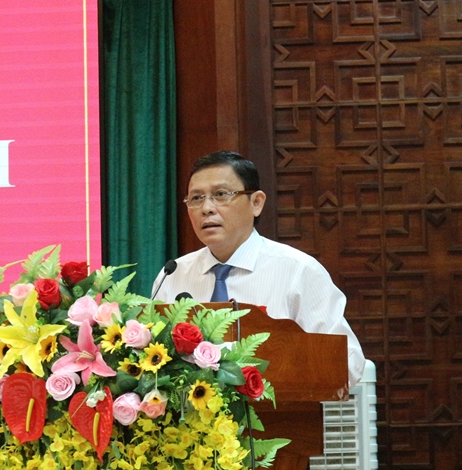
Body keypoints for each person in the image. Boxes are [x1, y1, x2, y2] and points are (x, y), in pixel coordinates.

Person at [153, 151, 365, 388]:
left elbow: (349, 366)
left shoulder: (298, 271)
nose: (207, 208)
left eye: (221, 195)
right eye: (196, 198)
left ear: (256, 203)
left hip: (280, 409)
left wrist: (281, 360)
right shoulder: (173, 274)